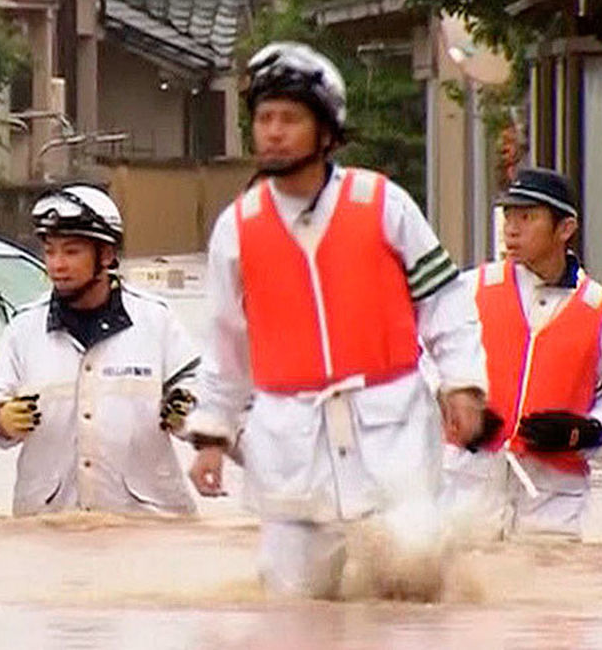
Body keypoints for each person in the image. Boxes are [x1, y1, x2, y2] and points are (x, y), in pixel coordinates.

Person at [183, 41, 490, 599]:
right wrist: (211, 434)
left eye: (290, 119)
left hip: (390, 424)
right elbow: (226, 344)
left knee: (413, 574)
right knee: (295, 601)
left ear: (326, 132)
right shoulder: (237, 228)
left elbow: (444, 301)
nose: (273, 131)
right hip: (288, 439)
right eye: (264, 118)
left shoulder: (384, 203)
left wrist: (463, 384)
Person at [443, 168, 602, 539]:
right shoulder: (470, 289)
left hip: (553, 502)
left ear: (565, 228)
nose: (511, 229)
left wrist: (585, 432)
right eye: (509, 216)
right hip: (465, 493)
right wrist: (457, 412)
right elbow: (423, 365)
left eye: (527, 217)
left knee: (551, 588)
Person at [0, 185, 202, 517]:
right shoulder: (22, 329)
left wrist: (187, 408)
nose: (57, 265)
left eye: (71, 252)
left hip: (148, 526)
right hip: (46, 529)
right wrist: (0, 420)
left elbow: (204, 395)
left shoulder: (155, 320)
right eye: (49, 251)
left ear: (106, 255)